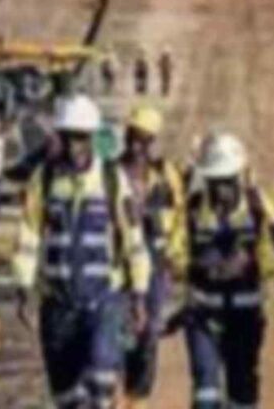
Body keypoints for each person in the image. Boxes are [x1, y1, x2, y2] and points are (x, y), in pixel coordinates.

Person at [14, 96, 151, 409]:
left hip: (103, 301)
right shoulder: (44, 180)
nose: (74, 146)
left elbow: (133, 238)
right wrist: (23, 287)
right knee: (66, 397)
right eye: (68, 137)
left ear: (91, 138)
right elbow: (28, 234)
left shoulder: (111, 180)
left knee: (102, 380)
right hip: (58, 304)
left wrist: (139, 295)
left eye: (80, 138)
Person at [179, 133, 274, 409]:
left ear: (239, 176)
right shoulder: (193, 209)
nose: (221, 189)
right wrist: (201, 265)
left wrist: (250, 262)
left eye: (227, 181)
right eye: (215, 181)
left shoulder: (257, 205)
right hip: (203, 315)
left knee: (242, 392)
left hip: (245, 314)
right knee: (205, 396)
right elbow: (176, 252)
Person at [121, 106, 187, 409]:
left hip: (156, 264)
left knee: (149, 334)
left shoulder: (165, 176)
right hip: (120, 265)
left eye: (142, 139)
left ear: (151, 142)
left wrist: (175, 254)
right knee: (119, 332)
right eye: (131, 137)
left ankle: (138, 399)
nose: (135, 146)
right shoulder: (112, 174)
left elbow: (180, 216)